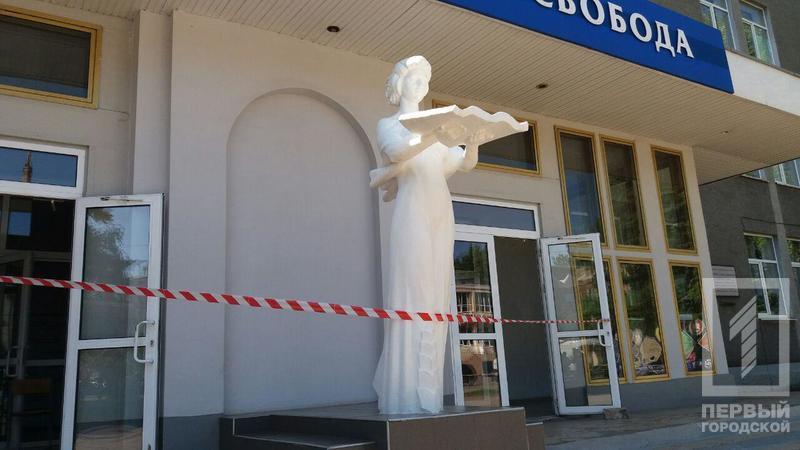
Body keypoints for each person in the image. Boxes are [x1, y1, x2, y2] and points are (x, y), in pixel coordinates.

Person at [371, 55, 484, 414]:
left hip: (440, 211)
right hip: (412, 211)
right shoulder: (391, 124)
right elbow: (396, 151)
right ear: (399, 84)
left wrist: (474, 140)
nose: (420, 85)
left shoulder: (436, 131)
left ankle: (428, 393)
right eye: (414, 78)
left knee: (436, 293)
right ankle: (403, 392)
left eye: (424, 79)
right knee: (412, 291)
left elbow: (463, 162)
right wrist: (432, 134)